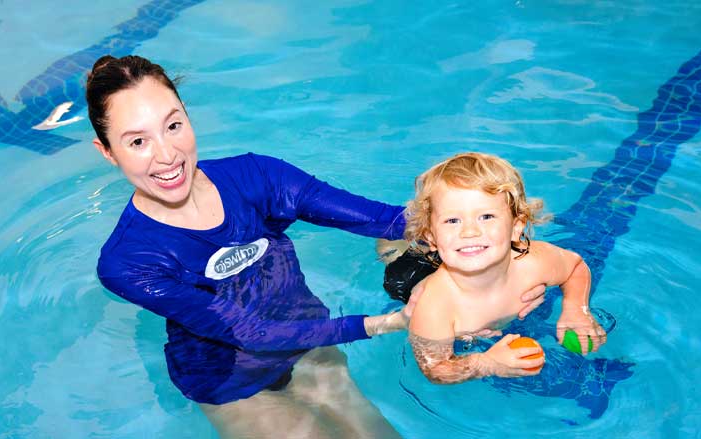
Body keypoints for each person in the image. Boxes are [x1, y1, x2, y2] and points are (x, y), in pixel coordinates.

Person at [85, 55, 545, 438]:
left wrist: (507, 262)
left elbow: (388, 220)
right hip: (233, 383)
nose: (166, 155)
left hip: (313, 343)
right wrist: (391, 322)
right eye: (138, 141)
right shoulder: (128, 261)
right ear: (107, 151)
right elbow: (252, 334)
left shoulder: (256, 177)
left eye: (173, 125)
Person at [399, 152, 607, 384]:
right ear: (432, 237)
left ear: (516, 227)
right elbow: (435, 369)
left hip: (458, 262)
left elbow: (575, 266)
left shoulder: (531, 262)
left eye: (486, 216)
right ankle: (391, 245)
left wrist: (576, 310)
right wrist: (486, 363)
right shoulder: (436, 306)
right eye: (452, 221)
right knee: (399, 269)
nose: (469, 232)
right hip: (409, 280)